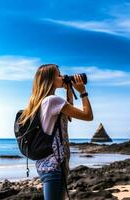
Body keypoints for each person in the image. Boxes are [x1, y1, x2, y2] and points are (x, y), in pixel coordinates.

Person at [18, 64, 93, 200]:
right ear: (50, 80)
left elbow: (68, 117)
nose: (63, 77)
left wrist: (69, 90)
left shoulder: (43, 101)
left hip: (47, 165)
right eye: (59, 75)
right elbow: (88, 116)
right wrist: (82, 92)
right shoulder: (53, 101)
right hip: (53, 166)